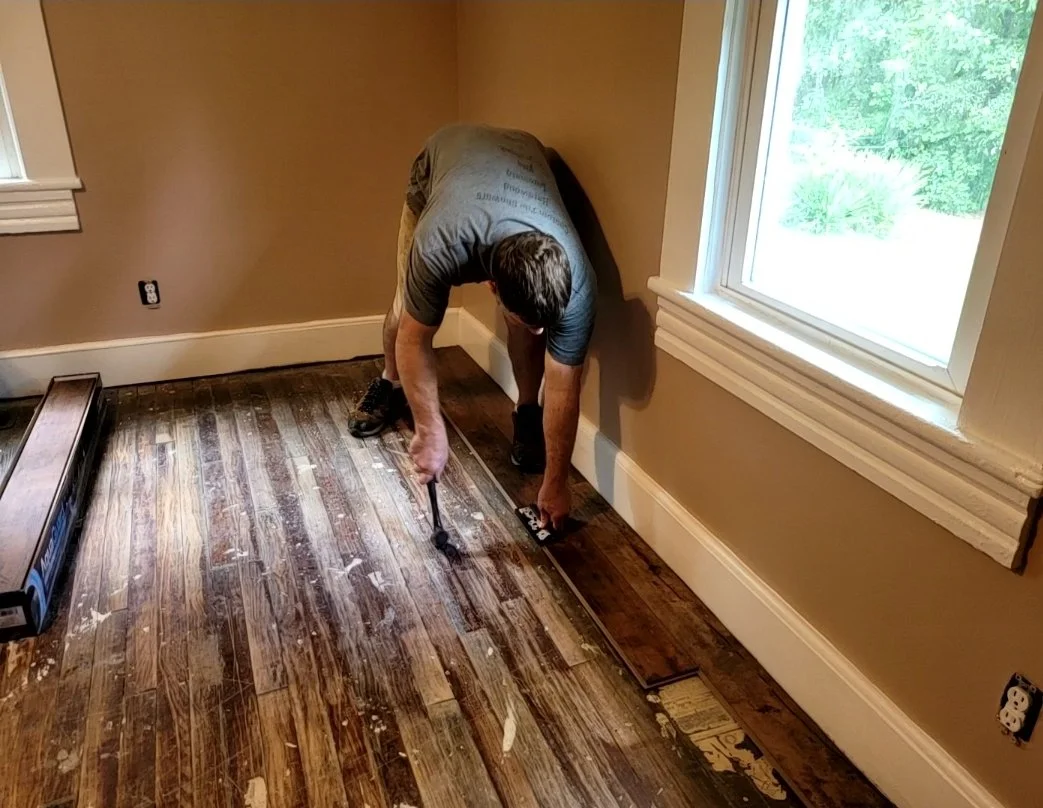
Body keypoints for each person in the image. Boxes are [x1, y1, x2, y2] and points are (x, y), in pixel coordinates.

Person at [347, 124, 596, 530]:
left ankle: (526, 410)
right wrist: (430, 431)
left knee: (526, 328)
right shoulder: (441, 244)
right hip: (443, 166)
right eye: (526, 321)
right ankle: (389, 384)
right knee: (405, 307)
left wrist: (557, 483)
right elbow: (416, 338)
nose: (540, 334)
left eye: (544, 326)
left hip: (516, 161)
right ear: (490, 285)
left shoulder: (578, 281)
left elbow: (565, 382)